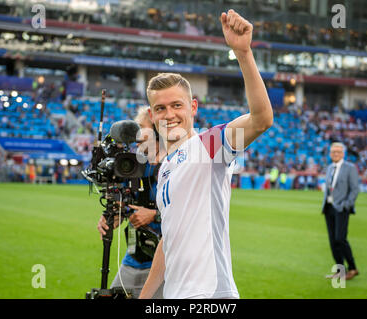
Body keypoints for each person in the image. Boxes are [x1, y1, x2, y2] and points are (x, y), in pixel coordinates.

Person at [139, 9, 273, 299]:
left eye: (177, 105)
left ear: (193, 108)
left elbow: (261, 119)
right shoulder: (164, 168)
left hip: (211, 294)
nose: (169, 114)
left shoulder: (208, 145)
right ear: (151, 114)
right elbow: (169, 240)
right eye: (160, 108)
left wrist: (243, 53)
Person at [97, 106, 166, 298]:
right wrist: (112, 216)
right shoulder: (133, 165)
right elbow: (125, 201)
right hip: (133, 258)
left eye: (142, 128)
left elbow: (188, 213)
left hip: (166, 263)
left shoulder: (173, 165)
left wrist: (154, 215)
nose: (136, 135)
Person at [322, 142, 360, 280]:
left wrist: (346, 204)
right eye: (333, 152)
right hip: (328, 208)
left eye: (338, 152)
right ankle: (340, 270)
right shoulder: (330, 168)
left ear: (343, 153)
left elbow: (355, 189)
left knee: (340, 239)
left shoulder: (350, 168)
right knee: (333, 241)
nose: (335, 154)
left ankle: (353, 268)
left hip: (341, 208)